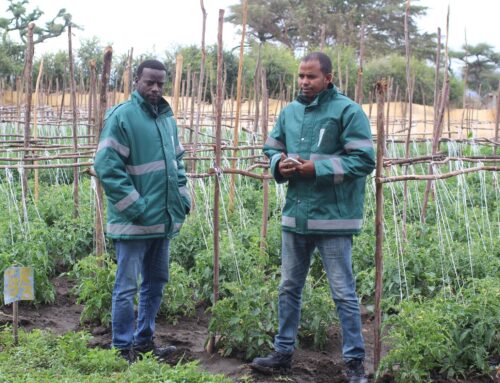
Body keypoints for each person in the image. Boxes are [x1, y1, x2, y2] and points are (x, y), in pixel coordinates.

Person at [250, 52, 375, 383]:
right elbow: (271, 148)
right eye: (301, 76)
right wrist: (280, 163)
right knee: (288, 287)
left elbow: (363, 160)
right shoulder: (290, 112)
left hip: (333, 220)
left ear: (328, 78)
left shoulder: (347, 111)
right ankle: (283, 353)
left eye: (311, 77)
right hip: (296, 216)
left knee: (343, 292)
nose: (304, 82)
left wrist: (315, 168)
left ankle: (354, 363)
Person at [94, 59, 191, 362]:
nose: (155, 88)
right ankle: (122, 347)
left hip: (162, 220)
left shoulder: (166, 118)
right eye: (149, 82)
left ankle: (145, 340)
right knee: (126, 286)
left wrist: (182, 197)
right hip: (134, 223)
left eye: (160, 83)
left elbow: (178, 163)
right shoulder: (122, 117)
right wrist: (136, 207)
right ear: (136, 80)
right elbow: (106, 167)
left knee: (155, 283)